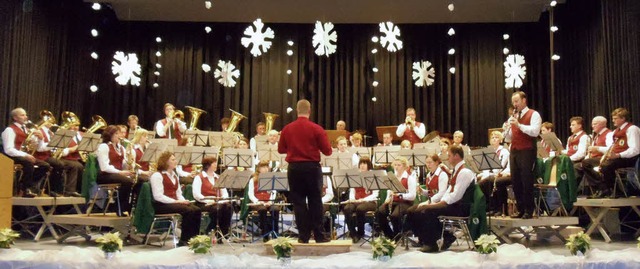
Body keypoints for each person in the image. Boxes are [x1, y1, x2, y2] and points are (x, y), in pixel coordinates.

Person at [278, 99, 333, 243]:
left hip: (294, 168)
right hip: (312, 168)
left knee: (298, 202)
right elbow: (327, 151)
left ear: (297, 111)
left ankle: (303, 236)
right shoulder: (317, 129)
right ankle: (319, 236)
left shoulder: (287, 128)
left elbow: (280, 149)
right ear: (310, 111)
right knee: (315, 201)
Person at [408, 145, 475, 252]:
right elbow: (449, 191)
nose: (447, 159)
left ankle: (431, 244)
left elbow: (456, 196)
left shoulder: (464, 172)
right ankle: (433, 237)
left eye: (449, 156)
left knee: (428, 211)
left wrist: (434, 204)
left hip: (462, 207)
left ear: (456, 156)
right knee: (414, 211)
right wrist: (434, 202)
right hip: (453, 204)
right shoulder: (456, 171)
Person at [584, 108, 640, 197]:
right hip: (616, 157)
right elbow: (613, 147)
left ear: (623, 118)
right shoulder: (616, 131)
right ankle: (603, 189)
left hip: (629, 159)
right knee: (587, 163)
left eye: (615, 118)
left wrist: (618, 155)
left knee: (606, 165)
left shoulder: (632, 129)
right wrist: (608, 154)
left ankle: (616, 191)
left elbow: (635, 149)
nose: (613, 120)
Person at [149, 151, 202, 246]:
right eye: (173, 160)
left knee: (197, 210)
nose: (176, 161)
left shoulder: (175, 176)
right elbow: (158, 196)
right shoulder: (157, 176)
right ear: (166, 162)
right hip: (161, 205)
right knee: (188, 210)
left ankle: (194, 238)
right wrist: (176, 201)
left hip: (174, 203)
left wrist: (182, 200)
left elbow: (178, 193)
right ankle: (184, 240)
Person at [503, 91, 541, 219]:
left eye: (517, 101)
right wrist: (506, 130)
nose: (514, 104)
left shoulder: (534, 114)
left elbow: (535, 132)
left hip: (527, 150)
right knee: (516, 181)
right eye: (513, 102)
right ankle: (520, 209)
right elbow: (509, 138)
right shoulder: (513, 116)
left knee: (526, 181)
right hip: (514, 151)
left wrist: (519, 125)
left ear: (524, 100)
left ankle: (529, 211)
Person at [2, 108, 50, 197]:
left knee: (45, 166)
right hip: (11, 156)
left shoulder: (27, 130)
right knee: (28, 164)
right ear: (15, 118)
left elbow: (38, 148)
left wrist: (41, 139)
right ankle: (24, 189)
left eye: (26, 115)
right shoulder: (9, 130)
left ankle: (30, 186)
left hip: (23, 155)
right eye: (22, 115)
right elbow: (8, 149)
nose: (26, 117)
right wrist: (25, 155)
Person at [96, 125, 135, 215]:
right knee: (127, 181)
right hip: (104, 175)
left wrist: (130, 163)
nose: (119, 136)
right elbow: (104, 167)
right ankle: (119, 208)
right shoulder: (104, 146)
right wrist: (120, 172)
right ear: (110, 135)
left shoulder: (121, 148)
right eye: (116, 134)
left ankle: (129, 208)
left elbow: (123, 164)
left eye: (119, 133)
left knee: (138, 180)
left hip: (117, 174)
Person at [376, 156, 416, 239]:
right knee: (379, 212)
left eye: (399, 165)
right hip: (394, 201)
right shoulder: (392, 177)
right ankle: (390, 235)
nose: (396, 167)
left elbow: (412, 196)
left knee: (395, 216)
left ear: (405, 167)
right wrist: (388, 198)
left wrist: (400, 195)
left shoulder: (410, 179)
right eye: (395, 165)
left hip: (405, 203)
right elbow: (389, 190)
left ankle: (397, 235)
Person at [192, 156, 232, 238]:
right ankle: (209, 230)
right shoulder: (199, 177)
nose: (216, 165)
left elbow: (225, 193)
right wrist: (208, 201)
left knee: (229, 207)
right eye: (214, 163)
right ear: (207, 165)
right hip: (203, 203)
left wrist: (221, 200)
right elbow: (196, 194)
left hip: (217, 202)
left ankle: (223, 232)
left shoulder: (218, 177)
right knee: (218, 209)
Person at [342, 158, 379, 243]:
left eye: (365, 163)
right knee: (347, 209)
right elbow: (352, 190)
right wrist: (352, 199)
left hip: (370, 201)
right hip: (357, 201)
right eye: (361, 163)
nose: (362, 165)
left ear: (369, 165)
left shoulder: (373, 176)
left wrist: (364, 199)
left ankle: (360, 232)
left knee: (360, 209)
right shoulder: (355, 176)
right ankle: (353, 233)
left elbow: (375, 194)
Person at [575, 116, 613, 192]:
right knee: (576, 166)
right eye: (592, 124)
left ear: (602, 124)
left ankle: (602, 188)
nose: (592, 126)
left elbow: (611, 149)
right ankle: (574, 191)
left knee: (586, 163)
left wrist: (598, 148)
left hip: (604, 159)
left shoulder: (609, 134)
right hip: (594, 159)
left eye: (595, 124)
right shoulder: (596, 136)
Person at [477, 131, 511, 215]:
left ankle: (494, 207)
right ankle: (487, 207)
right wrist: (483, 174)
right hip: (490, 174)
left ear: (500, 140)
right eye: (492, 138)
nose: (494, 139)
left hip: (499, 173)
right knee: (479, 182)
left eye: (496, 137)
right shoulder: (488, 151)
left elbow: (501, 166)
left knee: (486, 182)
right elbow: (486, 166)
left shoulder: (504, 151)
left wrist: (490, 174)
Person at [248, 161, 279, 242]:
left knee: (275, 209)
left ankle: (275, 233)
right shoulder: (253, 179)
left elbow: (273, 192)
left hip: (268, 201)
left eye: (267, 167)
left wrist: (270, 201)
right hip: (257, 202)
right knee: (262, 210)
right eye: (263, 167)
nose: (265, 169)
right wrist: (258, 201)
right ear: (259, 168)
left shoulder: (271, 178)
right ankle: (265, 233)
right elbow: (250, 194)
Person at [33, 119, 65, 197]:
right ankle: (50, 190)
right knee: (59, 164)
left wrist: (54, 138)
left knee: (59, 164)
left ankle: (52, 189)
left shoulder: (49, 132)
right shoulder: (38, 131)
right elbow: (39, 148)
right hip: (39, 156)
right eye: (49, 121)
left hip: (47, 155)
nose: (52, 123)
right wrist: (54, 143)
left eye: (52, 121)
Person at [58, 122, 84, 197]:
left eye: (77, 125)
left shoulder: (80, 135)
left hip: (76, 159)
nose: (76, 127)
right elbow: (61, 152)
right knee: (76, 166)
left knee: (85, 165)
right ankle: (70, 191)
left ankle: (82, 190)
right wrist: (72, 149)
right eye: (74, 125)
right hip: (64, 158)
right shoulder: (63, 134)